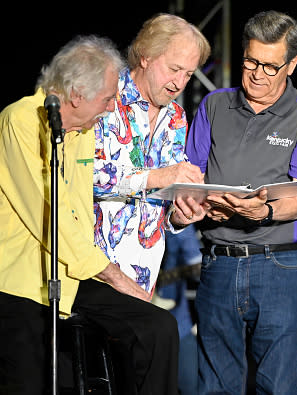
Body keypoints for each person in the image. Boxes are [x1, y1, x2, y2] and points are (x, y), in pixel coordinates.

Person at [0, 35, 180, 395]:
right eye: (109, 98)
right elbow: (49, 216)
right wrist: (114, 276)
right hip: (22, 282)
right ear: (77, 95)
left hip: (75, 273)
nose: (114, 107)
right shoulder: (20, 120)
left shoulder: (85, 129)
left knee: (157, 327)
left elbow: (79, 212)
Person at [184, 10, 297, 394]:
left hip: (282, 265)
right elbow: (191, 177)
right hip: (219, 262)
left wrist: (264, 210)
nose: (257, 74)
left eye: (271, 66)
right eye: (251, 61)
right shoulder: (214, 106)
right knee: (214, 385)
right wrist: (197, 204)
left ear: (292, 64)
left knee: (278, 385)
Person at [93, 13, 211, 295]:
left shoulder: (177, 118)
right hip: (91, 274)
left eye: (188, 74)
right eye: (174, 69)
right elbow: (88, 176)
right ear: (145, 56)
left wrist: (181, 216)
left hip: (144, 280)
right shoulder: (104, 96)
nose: (180, 82)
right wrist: (160, 176)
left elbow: (161, 208)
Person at [156, 224, 203, 394]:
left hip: (176, 322)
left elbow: (198, 266)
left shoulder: (177, 217)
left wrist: (164, 277)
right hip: (137, 321)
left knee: (191, 386)